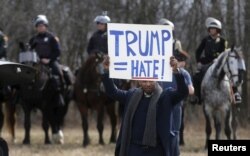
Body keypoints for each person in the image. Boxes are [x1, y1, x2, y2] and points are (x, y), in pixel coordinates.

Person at [102, 56, 189, 156]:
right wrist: (106, 71)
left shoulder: (166, 96)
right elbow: (112, 92)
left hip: (157, 151)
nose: (148, 84)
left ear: (156, 79)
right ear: (139, 81)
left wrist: (176, 72)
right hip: (134, 150)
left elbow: (183, 92)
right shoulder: (131, 95)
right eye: (144, 81)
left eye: (151, 81)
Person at [159, 18, 194, 155]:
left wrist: (176, 64)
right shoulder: (154, 42)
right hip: (158, 72)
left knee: (174, 130)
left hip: (175, 98)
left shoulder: (175, 43)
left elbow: (182, 56)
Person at [192, 17, 243, 104]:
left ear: (218, 30)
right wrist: (199, 62)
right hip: (207, 62)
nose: (211, 30)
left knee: (231, 74)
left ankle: (235, 94)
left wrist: (218, 59)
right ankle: (198, 97)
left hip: (220, 63)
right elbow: (198, 51)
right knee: (196, 77)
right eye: (210, 28)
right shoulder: (205, 40)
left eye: (213, 29)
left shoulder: (223, 41)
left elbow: (225, 52)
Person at [29, 15, 64, 106]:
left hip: (50, 61)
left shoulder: (52, 38)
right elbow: (29, 51)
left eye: (42, 25)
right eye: (38, 26)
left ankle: (59, 95)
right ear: (36, 27)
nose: (40, 27)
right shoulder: (33, 39)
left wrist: (49, 60)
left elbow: (58, 51)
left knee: (58, 73)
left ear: (46, 26)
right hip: (37, 62)